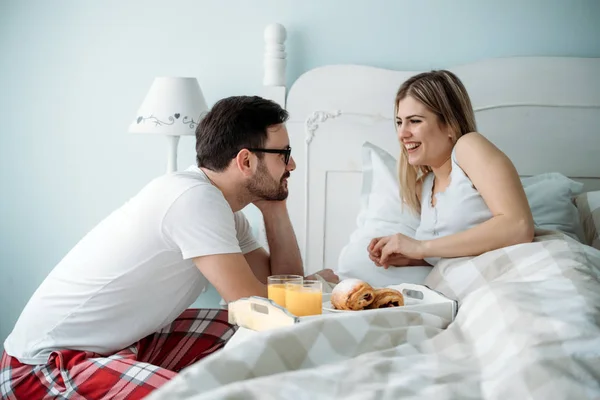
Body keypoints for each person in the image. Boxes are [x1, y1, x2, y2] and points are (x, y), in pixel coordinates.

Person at [1, 96, 339, 399]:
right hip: (43, 368)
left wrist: (274, 207)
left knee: (231, 330)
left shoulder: (223, 210)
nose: (292, 166)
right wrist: (318, 287)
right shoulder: (193, 199)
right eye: (285, 155)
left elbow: (283, 286)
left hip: (120, 345)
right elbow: (254, 309)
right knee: (201, 389)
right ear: (246, 162)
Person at [368, 70, 534, 268]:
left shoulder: (469, 147)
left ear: (450, 125)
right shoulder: (424, 187)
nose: (402, 133)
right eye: (398, 122)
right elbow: (458, 250)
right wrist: (412, 257)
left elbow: (518, 226)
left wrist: (422, 248)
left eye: (414, 121)